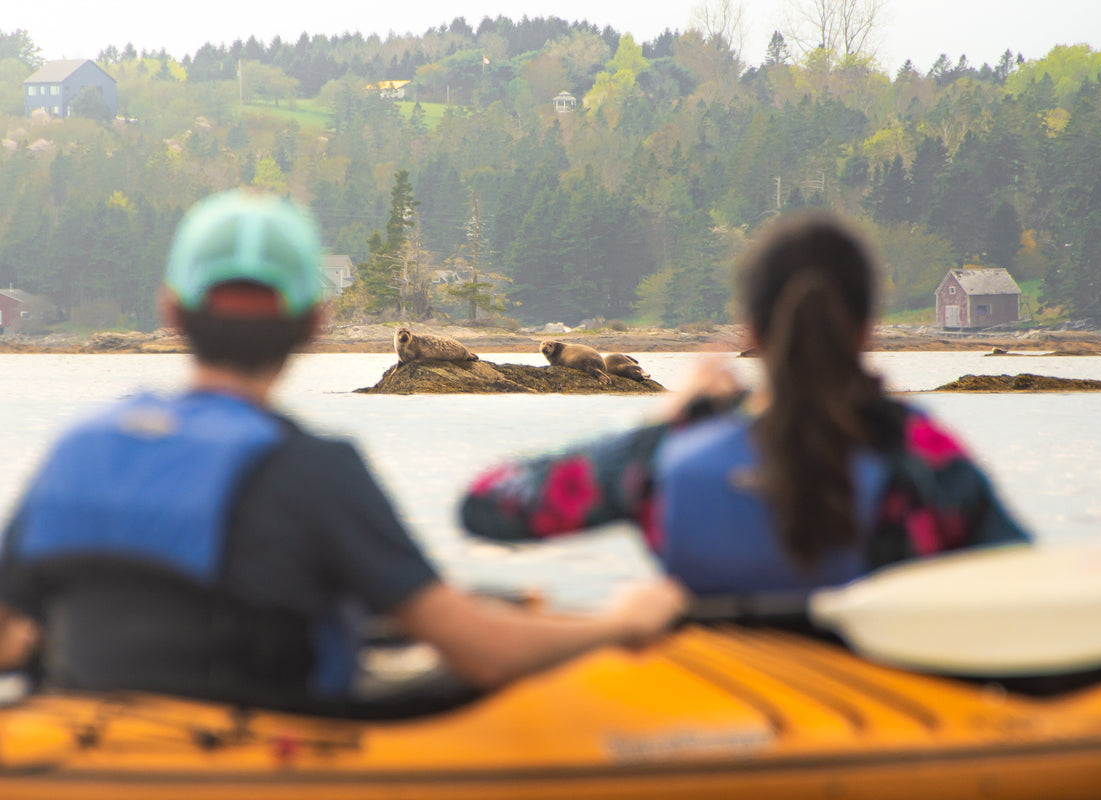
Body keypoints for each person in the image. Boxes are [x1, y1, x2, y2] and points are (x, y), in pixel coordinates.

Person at [0, 189, 685, 715]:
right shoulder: (312, 472)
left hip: (88, 743)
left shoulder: (77, 450)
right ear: (314, 323)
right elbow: (480, 651)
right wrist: (620, 619)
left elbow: (7, 637)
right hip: (267, 744)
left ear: (171, 312)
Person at [460, 214, 1030, 596]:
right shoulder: (922, 459)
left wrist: (664, 422)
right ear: (866, 330)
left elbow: (485, 506)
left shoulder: (662, 463)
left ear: (751, 328)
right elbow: (1027, 579)